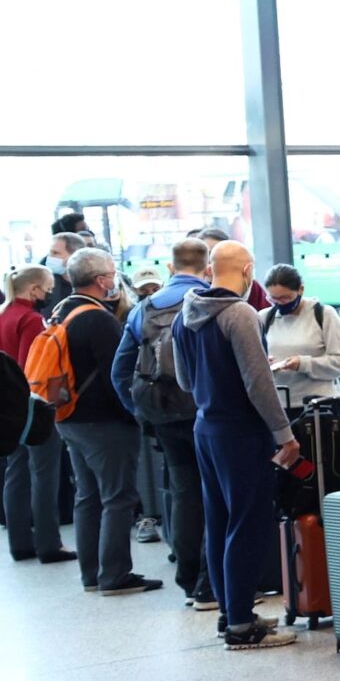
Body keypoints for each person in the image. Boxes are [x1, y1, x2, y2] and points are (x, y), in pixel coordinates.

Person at [174, 242, 300, 647]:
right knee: (248, 523)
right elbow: (259, 383)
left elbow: (184, 380)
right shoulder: (240, 314)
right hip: (242, 432)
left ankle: (231, 613)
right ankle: (243, 625)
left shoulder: (185, 314)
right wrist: (284, 434)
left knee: (219, 523)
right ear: (248, 271)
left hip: (205, 428)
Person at [46, 249, 160, 599]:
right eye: (112, 272)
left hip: (69, 417)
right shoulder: (98, 319)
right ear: (101, 280)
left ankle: (92, 574)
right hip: (104, 423)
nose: (115, 278)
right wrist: (135, 415)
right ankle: (115, 574)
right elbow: (118, 376)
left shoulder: (61, 311)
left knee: (88, 496)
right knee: (118, 496)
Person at [109, 239, 214, 605]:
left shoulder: (145, 308)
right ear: (208, 269)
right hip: (207, 413)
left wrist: (141, 412)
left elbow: (120, 371)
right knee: (216, 495)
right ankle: (211, 583)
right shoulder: (212, 302)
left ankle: (188, 579)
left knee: (184, 493)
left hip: (164, 414)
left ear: (170, 267)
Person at [1, 267, 71, 567]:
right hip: (33, 407)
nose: (50, 294)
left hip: (8, 411)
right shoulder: (30, 320)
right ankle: (48, 542)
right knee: (44, 474)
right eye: (48, 288)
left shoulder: (4, 315)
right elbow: (36, 367)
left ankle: (20, 542)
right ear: (34, 289)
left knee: (16, 473)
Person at [259, 264, 340, 409]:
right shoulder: (264, 317)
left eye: (285, 298)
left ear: (301, 289)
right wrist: (263, 363)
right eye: (274, 299)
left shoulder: (324, 314)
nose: (280, 303)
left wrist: (304, 364)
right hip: (278, 405)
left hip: (319, 405)